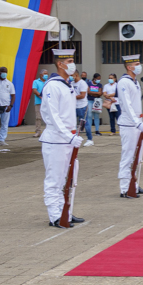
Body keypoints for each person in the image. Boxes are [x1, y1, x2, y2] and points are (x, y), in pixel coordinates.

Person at [39, 49, 86, 227]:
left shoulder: (68, 84)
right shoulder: (52, 85)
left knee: (69, 178)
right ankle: (55, 215)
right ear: (60, 64)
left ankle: (66, 210)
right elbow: (53, 115)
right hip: (56, 138)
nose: (72, 64)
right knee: (55, 179)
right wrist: (68, 135)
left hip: (69, 138)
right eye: (69, 60)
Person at [116, 55, 143, 197]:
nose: (139, 66)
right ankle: (124, 188)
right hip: (129, 124)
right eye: (136, 63)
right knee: (128, 156)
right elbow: (127, 105)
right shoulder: (124, 82)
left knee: (137, 156)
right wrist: (137, 122)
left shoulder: (135, 81)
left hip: (137, 123)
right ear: (129, 67)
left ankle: (133, 183)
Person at [73, 70, 93, 146]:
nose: (71, 77)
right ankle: (74, 138)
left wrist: (71, 97)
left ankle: (90, 139)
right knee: (73, 123)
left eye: (72, 75)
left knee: (85, 123)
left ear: (76, 75)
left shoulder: (82, 83)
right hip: (74, 106)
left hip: (82, 106)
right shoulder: (72, 83)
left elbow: (82, 95)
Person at [31, 69, 48, 137]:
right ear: (41, 75)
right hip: (39, 102)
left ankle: (48, 131)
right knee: (38, 117)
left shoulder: (48, 82)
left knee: (48, 117)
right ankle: (38, 131)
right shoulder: (36, 81)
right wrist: (41, 96)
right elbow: (34, 90)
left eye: (47, 73)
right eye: (45, 73)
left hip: (47, 102)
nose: (46, 75)